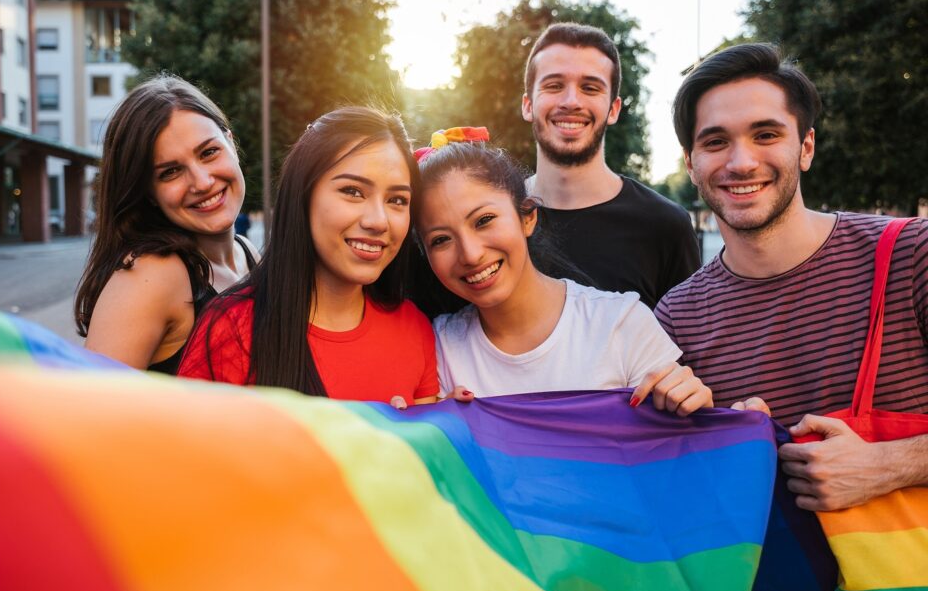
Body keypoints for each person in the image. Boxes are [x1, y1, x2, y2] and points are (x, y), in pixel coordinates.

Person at [656, 42, 928, 511]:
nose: (741, 162)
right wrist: (736, 448)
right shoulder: (678, 318)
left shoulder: (911, 255)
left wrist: (890, 464)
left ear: (805, 147)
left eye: (765, 134)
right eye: (716, 141)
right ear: (691, 164)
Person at [412, 129, 712, 414]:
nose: (471, 253)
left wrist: (692, 407)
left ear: (527, 217)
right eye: (440, 240)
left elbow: (682, 449)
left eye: (484, 220)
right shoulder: (435, 349)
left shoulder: (622, 324)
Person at [177, 107, 440, 406]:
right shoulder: (231, 329)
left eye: (397, 200)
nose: (379, 221)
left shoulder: (414, 329)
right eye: (353, 191)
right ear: (304, 195)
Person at [75, 75, 260, 373]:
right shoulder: (152, 275)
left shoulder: (247, 252)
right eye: (171, 172)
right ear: (148, 193)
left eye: (209, 152)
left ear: (231, 143)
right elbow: (89, 409)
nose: (202, 182)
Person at [521, 23, 700, 308]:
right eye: (554, 86)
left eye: (590, 88)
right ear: (528, 105)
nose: (571, 101)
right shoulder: (496, 216)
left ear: (613, 109)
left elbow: (688, 346)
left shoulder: (664, 226)